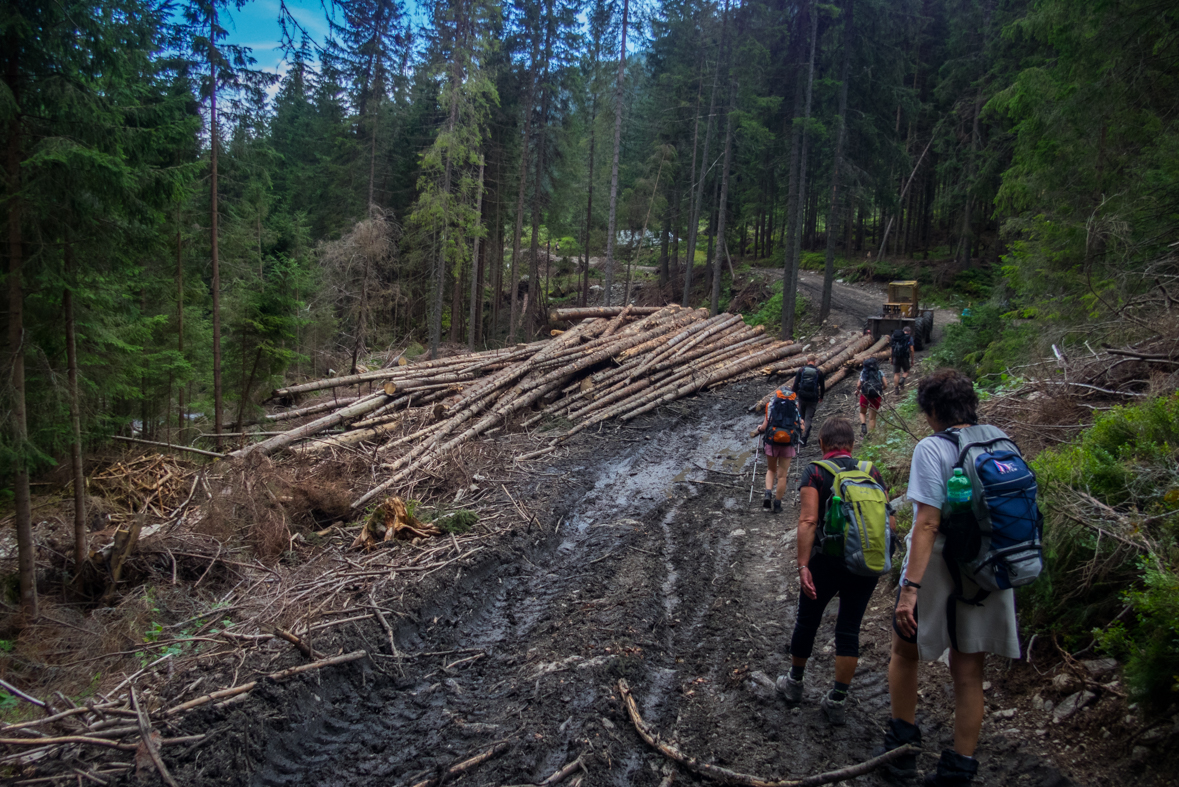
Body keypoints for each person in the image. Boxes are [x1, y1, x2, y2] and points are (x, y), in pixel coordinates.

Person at [877, 369, 1021, 786]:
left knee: (905, 652)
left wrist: (909, 590)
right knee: (970, 670)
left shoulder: (933, 447)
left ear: (934, 409)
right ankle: (959, 769)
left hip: (940, 566)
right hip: (990, 564)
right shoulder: (1000, 439)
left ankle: (902, 749)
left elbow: (926, 524)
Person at [777, 417, 894, 725]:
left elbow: (808, 521)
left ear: (822, 444)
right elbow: (890, 524)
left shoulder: (815, 471)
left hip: (825, 562)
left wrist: (803, 565)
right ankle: (838, 699)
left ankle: (794, 683)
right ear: (852, 445)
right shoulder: (871, 472)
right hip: (864, 563)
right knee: (848, 629)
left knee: (807, 621)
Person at [755, 387, 802, 514]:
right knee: (782, 475)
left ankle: (767, 494)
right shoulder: (795, 406)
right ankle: (777, 504)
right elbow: (800, 425)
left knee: (771, 470)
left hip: (772, 441)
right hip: (788, 443)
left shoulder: (770, 405)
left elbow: (765, 426)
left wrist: (759, 429)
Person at [792, 355, 826, 446]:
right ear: (815, 361)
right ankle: (804, 439)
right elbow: (822, 386)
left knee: (801, 417)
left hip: (802, 397)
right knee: (808, 418)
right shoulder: (818, 372)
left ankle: (798, 436)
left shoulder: (801, 370)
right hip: (813, 398)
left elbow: (795, 384)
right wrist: (821, 397)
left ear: (807, 360)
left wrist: (792, 395)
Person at [856, 356, 888, 436]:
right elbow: (885, 385)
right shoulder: (879, 372)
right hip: (876, 396)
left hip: (865, 395)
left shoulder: (863, 372)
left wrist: (858, 391)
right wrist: (881, 389)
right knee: (872, 418)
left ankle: (863, 426)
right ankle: (871, 436)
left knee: (862, 412)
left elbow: (859, 385)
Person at [891, 326, 915, 391]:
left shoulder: (895, 337)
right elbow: (912, 350)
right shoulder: (909, 338)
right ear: (909, 332)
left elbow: (892, 348)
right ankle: (902, 380)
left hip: (895, 357)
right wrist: (912, 360)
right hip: (905, 357)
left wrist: (891, 358)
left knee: (896, 373)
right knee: (906, 371)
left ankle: (896, 389)